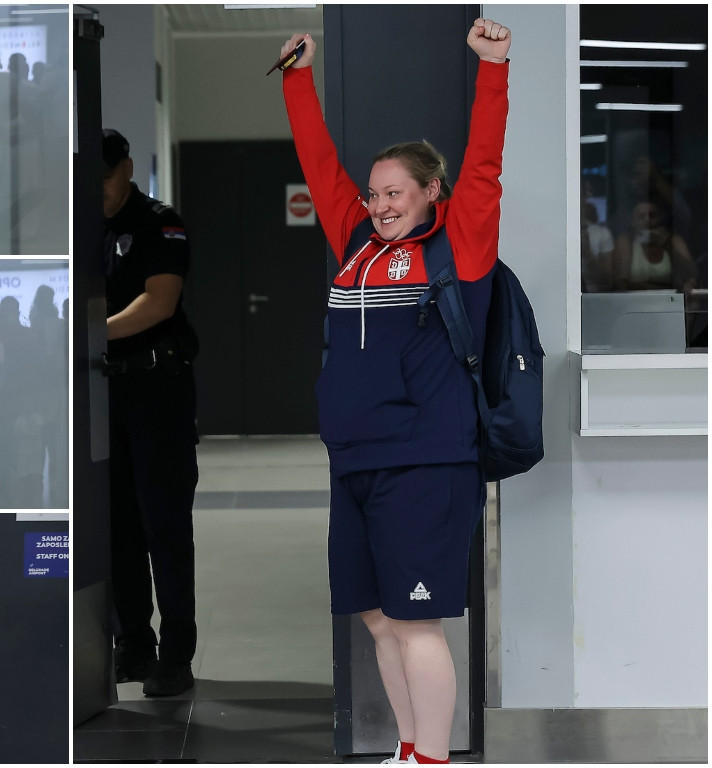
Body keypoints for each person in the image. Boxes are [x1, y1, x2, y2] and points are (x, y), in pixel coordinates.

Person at [278, 19, 512, 765]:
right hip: (355, 458)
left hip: (425, 461)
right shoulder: (356, 243)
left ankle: (433, 760)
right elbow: (319, 163)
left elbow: (485, 165)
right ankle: (410, 750)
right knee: (378, 618)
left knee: (416, 623)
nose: (380, 205)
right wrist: (296, 80)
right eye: (374, 193)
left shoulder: (458, 246)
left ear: (430, 192)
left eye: (395, 193)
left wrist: (494, 68)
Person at [101, 129, 200, 697]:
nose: (99, 190)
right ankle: (133, 643)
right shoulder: (82, 225)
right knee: (117, 526)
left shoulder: (160, 223)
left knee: (164, 524)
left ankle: (176, 654)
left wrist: (88, 333)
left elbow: (158, 302)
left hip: (157, 387)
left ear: (128, 168)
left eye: (107, 177)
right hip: (103, 389)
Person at [610, 200, 698, 293]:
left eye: (652, 215)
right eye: (641, 216)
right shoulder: (625, 242)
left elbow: (692, 274)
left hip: (668, 298)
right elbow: (620, 282)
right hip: (635, 298)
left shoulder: (673, 240)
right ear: (633, 222)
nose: (647, 220)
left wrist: (667, 245)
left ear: (659, 219)